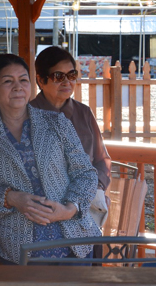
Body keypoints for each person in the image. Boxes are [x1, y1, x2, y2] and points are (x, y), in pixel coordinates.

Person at [0, 54, 101, 265]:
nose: (18, 87)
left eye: (23, 80)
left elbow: (86, 173)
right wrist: (10, 198)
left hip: (74, 242)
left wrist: (69, 209)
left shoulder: (57, 122)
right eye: (8, 81)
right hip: (18, 248)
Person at [30, 46, 111, 226]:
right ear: (41, 80)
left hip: (84, 202)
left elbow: (102, 160)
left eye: (72, 75)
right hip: (43, 208)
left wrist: (97, 189)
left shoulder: (84, 113)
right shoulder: (27, 116)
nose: (67, 82)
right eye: (59, 76)